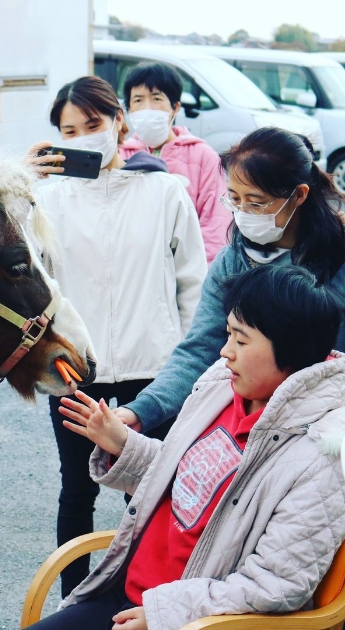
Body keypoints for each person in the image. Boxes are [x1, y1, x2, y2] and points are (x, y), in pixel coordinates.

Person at [26, 264, 345, 630]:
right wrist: (123, 444)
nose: (225, 352)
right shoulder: (223, 387)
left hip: (193, 620)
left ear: (291, 350)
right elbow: (191, 483)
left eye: (241, 341)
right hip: (128, 594)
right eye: (228, 335)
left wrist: (166, 614)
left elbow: (276, 585)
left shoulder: (321, 454)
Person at [27, 75, 208, 597]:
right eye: (69, 129)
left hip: (154, 374)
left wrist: (191, 370)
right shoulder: (48, 201)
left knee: (150, 494)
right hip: (75, 372)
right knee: (76, 492)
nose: (83, 135)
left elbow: (192, 284)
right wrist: (24, 177)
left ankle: (149, 599)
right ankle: (71, 604)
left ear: (118, 124)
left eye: (93, 124)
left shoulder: (164, 189)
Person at [115, 126, 345, 437]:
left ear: (299, 195)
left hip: (326, 426)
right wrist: (142, 408)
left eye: (257, 202)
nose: (244, 213)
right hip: (248, 423)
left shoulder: (338, 258)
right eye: (235, 200)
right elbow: (201, 347)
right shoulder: (232, 260)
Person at [119, 62, 229, 264]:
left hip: (187, 268)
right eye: (138, 100)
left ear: (175, 107)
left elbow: (215, 223)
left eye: (157, 99)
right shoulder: (119, 154)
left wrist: (195, 274)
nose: (147, 108)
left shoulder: (203, 156)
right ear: (128, 109)